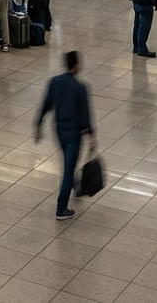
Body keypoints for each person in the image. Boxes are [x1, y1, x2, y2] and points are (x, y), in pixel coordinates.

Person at [34, 50, 94, 220]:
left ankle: (75, 185)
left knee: (69, 162)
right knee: (68, 169)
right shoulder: (81, 88)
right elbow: (85, 114)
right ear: (76, 65)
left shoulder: (55, 82)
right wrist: (91, 134)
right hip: (74, 133)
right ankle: (61, 208)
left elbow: (45, 104)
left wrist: (38, 124)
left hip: (59, 130)